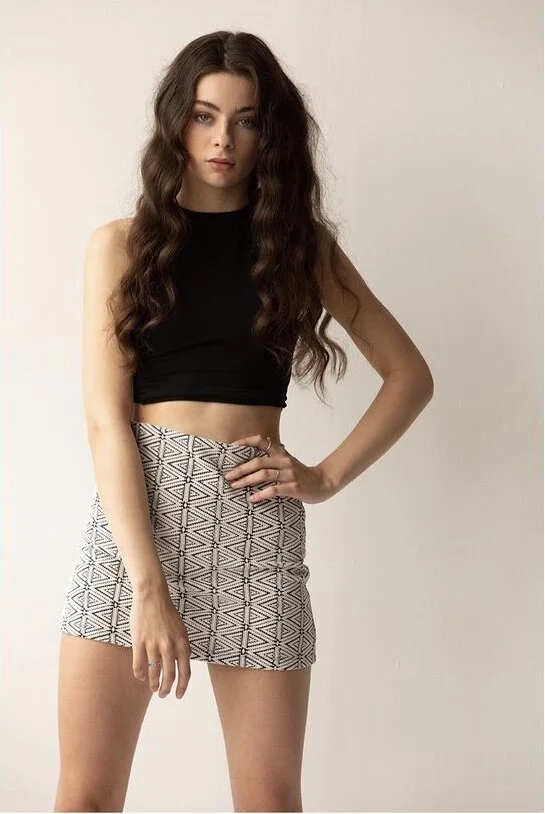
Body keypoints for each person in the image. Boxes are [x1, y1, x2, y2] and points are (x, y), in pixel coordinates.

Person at [54, 30, 433, 814]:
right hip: (136, 528)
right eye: (204, 115)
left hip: (257, 530)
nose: (222, 138)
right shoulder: (120, 246)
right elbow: (105, 424)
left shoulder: (300, 249)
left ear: (271, 133)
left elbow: (409, 377)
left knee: (269, 802)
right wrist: (147, 585)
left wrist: (323, 476)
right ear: (176, 122)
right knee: (86, 796)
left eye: (246, 120)